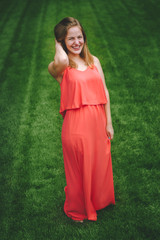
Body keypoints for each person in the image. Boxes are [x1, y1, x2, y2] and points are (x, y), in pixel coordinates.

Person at [48, 17, 115, 223]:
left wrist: (109, 122)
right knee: (78, 168)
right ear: (61, 41)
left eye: (79, 37)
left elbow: (104, 91)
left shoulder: (94, 61)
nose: (77, 42)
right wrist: (58, 45)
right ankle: (79, 207)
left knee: (98, 163)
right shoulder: (61, 67)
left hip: (97, 121)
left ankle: (97, 201)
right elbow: (58, 61)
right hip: (76, 125)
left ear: (84, 38)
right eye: (70, 39)